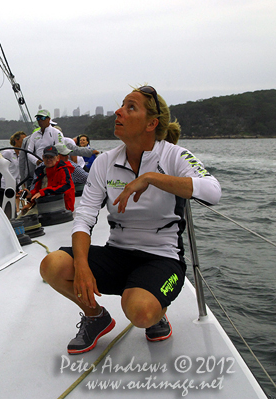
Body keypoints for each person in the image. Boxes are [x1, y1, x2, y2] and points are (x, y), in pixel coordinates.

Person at [39, 86, 221, 355]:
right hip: (118, 253)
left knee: (139, 312)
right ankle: (96, 317)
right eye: (122, 105)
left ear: (151, 123)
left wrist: (150, 178)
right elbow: (84, 217)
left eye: (130, 107)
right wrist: (82, 265)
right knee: (52, 266)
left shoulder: (173, 156)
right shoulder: (105, 163)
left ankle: (157, 312)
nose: (118, 111)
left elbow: (212, 191)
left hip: (162, 257)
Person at [20, 145, 75, 212]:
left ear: (57, 158)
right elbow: (38, 190)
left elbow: (66, 186)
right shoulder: (42, 171)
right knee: (22, 217)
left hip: (61, 209)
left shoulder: (63, 170)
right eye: (46, 157)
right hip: (44, 206)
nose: (49, 160)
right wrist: (30, 195)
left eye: (51, 157)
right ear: (43, 158)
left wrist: (45, 192)